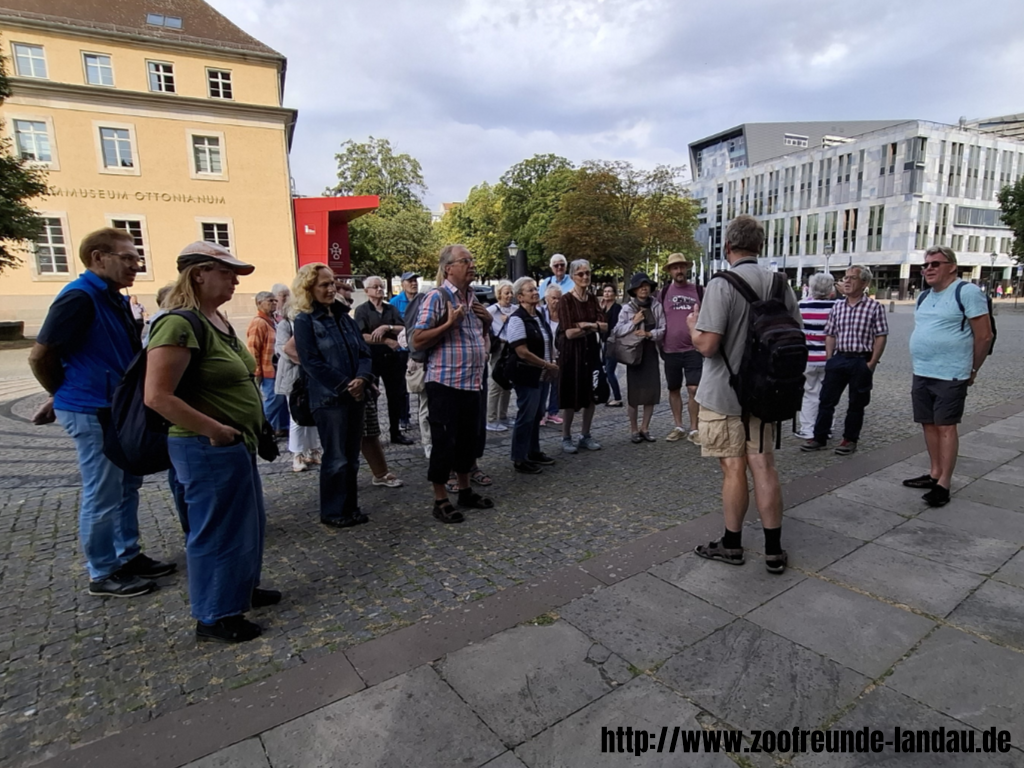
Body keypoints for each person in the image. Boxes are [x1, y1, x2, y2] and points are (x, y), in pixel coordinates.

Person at [29, 227, 175, 598]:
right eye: (127, 258)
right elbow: (41, 355)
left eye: (136, 258)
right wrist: (59, 393)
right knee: (103, 491)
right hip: (92, 408)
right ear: (98, 258)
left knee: (126, 485)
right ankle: (103, 570)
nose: (136, 266)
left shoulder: (111, 297)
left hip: (115, 407)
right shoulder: (79, 298)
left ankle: (127, 555)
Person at [145, 242, 278, 643]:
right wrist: (213, 429)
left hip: (235, 444)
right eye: (227, 272)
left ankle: (239, 591)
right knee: (216, 530)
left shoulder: (214, 318)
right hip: (206, 447)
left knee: (246, 525)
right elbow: (157, 395)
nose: (235, 279)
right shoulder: (178, 323)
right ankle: (215, 615)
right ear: (199, 273)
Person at [687, 215, 801, 575]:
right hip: (767, 391)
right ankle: (773, 550)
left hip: (724, 392)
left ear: (728, 248)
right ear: (760, 247)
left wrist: (692, 326)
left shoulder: (721, 285)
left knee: (733, 469)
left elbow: (707, 346)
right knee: (764, 466)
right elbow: (794, 332)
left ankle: (732, 544)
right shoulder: (780, 283)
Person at [411, 244, 494, 524]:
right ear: (448, 268)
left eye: (472, 259)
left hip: (471, 382)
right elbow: (417, 339)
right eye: (465, 261)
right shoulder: (437, 297)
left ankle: (466, 490)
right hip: (444, 383)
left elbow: (475, 339)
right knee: (444, 442)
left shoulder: (472, 297)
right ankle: (440, 500)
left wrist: (487, 322)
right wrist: (449, 323)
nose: (472, 265)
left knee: (467, 442)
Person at [904, 246, 993, 507]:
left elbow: (984, 335)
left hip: (951, 373)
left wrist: (972, 369)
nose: (928, 269)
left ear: (952, 266)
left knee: (946, 426)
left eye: (935, 264)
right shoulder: (924, 296)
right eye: (926, 265)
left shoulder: (966, 292)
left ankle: (944, 482)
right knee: (928, 423)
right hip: (922, 370)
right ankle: (934, 472)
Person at [292, 265, 374, 528]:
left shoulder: (344, 317)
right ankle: (333, 511)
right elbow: (311, 362)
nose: (330, 289)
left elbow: (363, 352)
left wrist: (362, 378)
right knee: (336, 458)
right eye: (323, 285)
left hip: (355, 397)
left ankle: (350, 507)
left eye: (332, 284)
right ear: (309, 289)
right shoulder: (305, 321)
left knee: (351, 457)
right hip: (329, 400)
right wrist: (345, 384)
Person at [800, 265, 888, 456]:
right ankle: (819, 437)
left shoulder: (874, 307)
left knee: (856, 403)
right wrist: (830, 358)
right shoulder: (838, 306)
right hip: (839, 358)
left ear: (864, 283)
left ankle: (849, 439)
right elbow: (830, 333)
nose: (846, 282)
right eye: (845, 278)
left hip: (860, 359)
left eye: (852, 278)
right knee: (826, 400)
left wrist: (872, 362)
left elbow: (881, 335)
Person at [506, 277, 559, 474]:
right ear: (520, 297)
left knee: (537, 415)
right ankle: (519, 458)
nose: (535, 292)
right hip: (527, 374)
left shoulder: (538, 316)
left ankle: (534, 451)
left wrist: (549, 365)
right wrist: (546, 364)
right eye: (530, 290)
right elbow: (521, 351)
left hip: (542, 374)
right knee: (526, 416)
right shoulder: (517, 319)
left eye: (535, 289)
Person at [354, 276, 415, 446]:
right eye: (375, 287)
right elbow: (362, 336)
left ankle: (395, 432)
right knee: (371, 397)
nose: (379, 289)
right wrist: (386, 340)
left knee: (396, 396)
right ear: (367, 291)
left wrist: (386, 328)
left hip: (393, 359)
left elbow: (403, 328)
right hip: (372, 358)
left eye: (381, 286)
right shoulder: (362, 310)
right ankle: (372, 436)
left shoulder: (390, 309)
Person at [557, 259, 607, 454]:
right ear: (572, 277)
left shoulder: (593, 299)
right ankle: (566, 436)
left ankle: (585, 434)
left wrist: (586, 325)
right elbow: (569, 332)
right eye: (580, 274)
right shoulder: (566, 300)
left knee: (592, 394)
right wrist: (592, 325)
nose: (585, 277)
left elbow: (604, 326)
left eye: (587, 273)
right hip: (571, 354)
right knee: (569, 395)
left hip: (590, 352)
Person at [612, 272, 665, 443]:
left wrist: (649, 333)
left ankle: (645, 428)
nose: (644, 288)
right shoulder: (627, 308)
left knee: (651, 392)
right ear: (634, 290)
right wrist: (633, 322)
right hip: (634, 353)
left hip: (650, 351)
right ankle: (634, 429)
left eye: (647, 285)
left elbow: (664, 328)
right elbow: (618, 330)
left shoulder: (656, 305)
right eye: (640, 285)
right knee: (634, 394)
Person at [659, 253, 703, 444]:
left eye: (682, 267)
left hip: (694, 348)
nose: (679, 271)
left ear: (687, 269)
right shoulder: (663, 293)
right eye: (675, 267)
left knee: (694, 388)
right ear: (670, 271)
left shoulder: (700, 291)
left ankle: (694, 428)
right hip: (671, 349)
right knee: (674, 389)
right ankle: (678, 426)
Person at [275, 297, 322, 473]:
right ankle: (297, 454)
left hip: (310, 376)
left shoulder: (309, 321)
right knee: (296, 416)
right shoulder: (285, 325)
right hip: (293, 376)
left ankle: (313, 449)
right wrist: (307, 362)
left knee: (311, 414)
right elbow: (282, 349)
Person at [794, 272, 838, 440]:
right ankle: (826, 427)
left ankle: (808, 428)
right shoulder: (838, 306)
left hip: (808, 358)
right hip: (830, 358)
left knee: (809, 393)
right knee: (828, 395)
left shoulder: (801, 306)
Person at [247, 291, 289, 437]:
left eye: (274, 300)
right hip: (267, 370)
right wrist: (257, 370)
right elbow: (253, 348)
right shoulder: (259, 322)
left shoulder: (273, 320)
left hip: (277, 369)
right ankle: (263, 429)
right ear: (259, 303)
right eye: (269, 301)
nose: (274, 303)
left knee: (281, 399)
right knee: (273, 400)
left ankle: (281, 427)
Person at [389, 271, 420, 431]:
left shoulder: (422, 299)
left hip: (419, 348)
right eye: (410, 281)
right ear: (403, 284)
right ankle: (404, 417)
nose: (414, 284)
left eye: (415, 281)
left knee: (422, 383)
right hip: (402, 349)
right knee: (402, 386)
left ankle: (424, 415)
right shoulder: (395, 302)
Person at [486, 280, 516, 432]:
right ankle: (491, 418)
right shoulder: (492, 310)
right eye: (506, 293)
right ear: (499, 294)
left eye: (511, 292)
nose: (509, 296)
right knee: (495, 382)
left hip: (511, 348)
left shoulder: (515, 309)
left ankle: (503, 416)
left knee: (507, 383)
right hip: (499, 347)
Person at [539, 285, 563, 426]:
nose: (556, 301)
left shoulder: (564, 314)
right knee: (543, 385)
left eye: (559, 298)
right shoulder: (540, 313)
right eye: (554, 298)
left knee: (556, 385)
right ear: (547, 298)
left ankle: (553, 412)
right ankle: (541, 413)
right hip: (545, 355)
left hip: (559, 354)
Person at [598, 284, 624, 407]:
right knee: (605, 369)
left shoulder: (617, 308)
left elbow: (613, 326)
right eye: (605, 291)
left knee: (609, 370)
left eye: (609, 291)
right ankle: (606, 394)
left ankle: (617, 397)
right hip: (603, 342)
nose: (607, 294)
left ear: (614, 294)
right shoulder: (603, 308)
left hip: (612, 343)